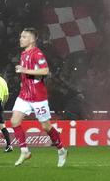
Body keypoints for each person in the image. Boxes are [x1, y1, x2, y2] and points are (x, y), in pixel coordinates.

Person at [10, 27, 67, 168]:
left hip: (38, 97)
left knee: (46, 127)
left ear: (32, 39)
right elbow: (28, 73)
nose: (20, 39)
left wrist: (24, 70)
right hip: (24, 95)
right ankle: (24, 151)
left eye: (24, 37)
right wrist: (23, 78)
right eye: (21, 36)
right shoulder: (24, 54)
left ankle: (61, 150)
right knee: (14, 121)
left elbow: (45, 71)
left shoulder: (37, 54)